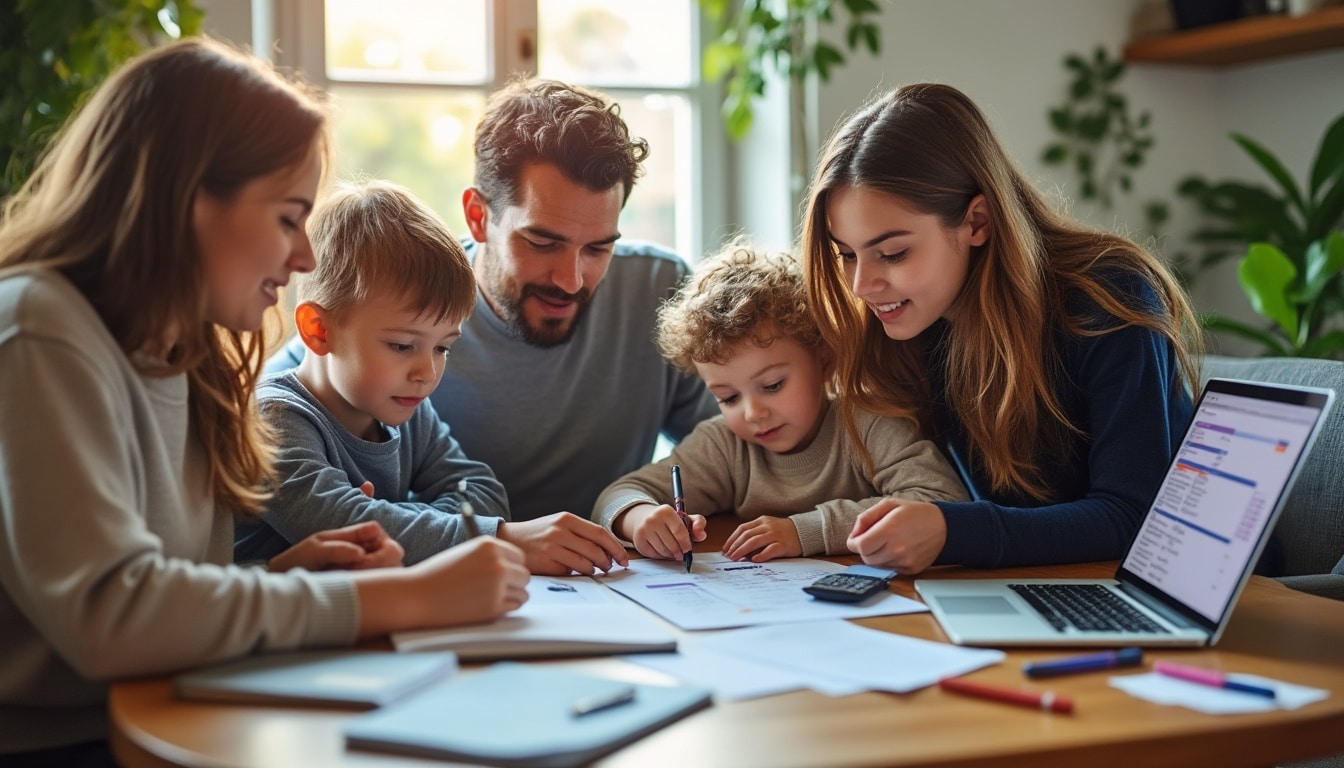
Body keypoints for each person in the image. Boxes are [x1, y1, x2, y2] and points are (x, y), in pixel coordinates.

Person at [0, 38, 528, 764]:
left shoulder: (192, 359)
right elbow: (108, 616)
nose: (305, 257)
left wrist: (279, 579)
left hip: (171, 709)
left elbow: (172, 594)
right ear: (187, 199)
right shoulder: (40, 328)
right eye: (288, 217)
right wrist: (405, 597)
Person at [269, 77, 717, 574]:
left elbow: (734, 447)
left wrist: (638, 509)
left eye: (598, 248)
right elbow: (288, 415)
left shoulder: (658, 288)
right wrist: (481, 536)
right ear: (478, 216)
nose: (571, 280)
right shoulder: (398, 305)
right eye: (543, 242)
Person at [800, 82, 1202, 575]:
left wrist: (952, 530)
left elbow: (1132, 516)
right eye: (846, 254)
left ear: (977, 221)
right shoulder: (913, 325)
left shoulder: (1108, 298)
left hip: (1189, 589)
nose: (861, 284)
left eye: (893, 253)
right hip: (1039, 584)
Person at [594, 243, 968, 563]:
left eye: (772, 385)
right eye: (727, 398)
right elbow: (616, 495)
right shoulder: (725, 446)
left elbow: (943, 503)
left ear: (824, 361)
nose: (753, 413)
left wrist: (804, 532)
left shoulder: (868, 423)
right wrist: (640, 517)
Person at [235, 180, 512, 566]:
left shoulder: (409, 413)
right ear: (319, 329)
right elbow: (346, 528)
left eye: (443, 347)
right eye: (401, 345)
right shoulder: (273, 419)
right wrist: (485, 533)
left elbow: (483, 492)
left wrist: (394, 516)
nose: (427, 372)